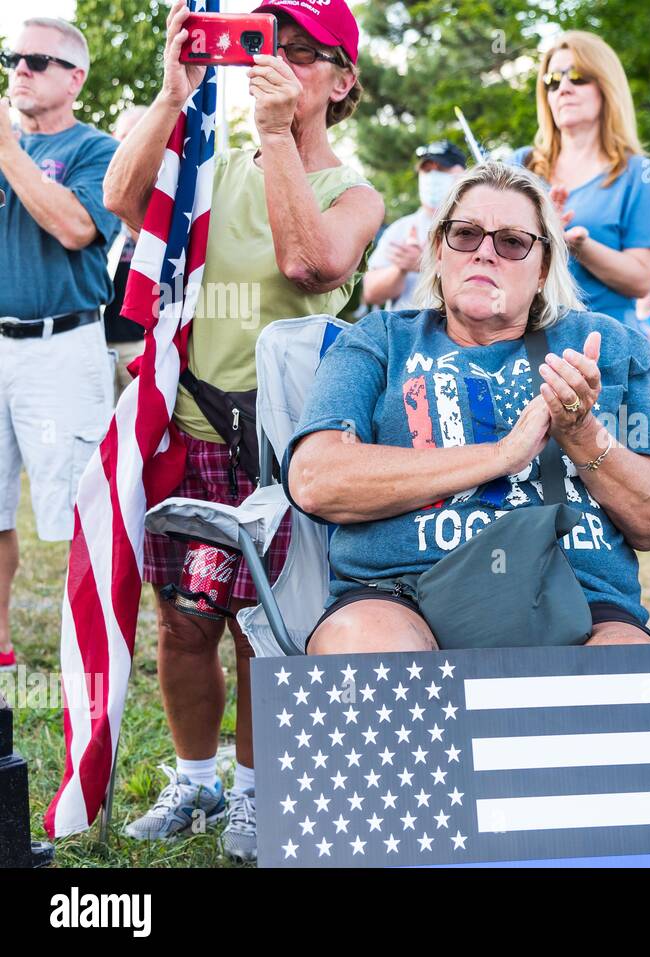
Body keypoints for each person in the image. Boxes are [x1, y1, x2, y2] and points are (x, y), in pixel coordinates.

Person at [103, 0, 384, 861]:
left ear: (342, 83)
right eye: (272, 48)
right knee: (182, 623)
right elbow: (120, 199)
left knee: (264, 630)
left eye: (306, 56)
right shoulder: (213, 164)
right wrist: (171, 94)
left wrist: (273, 135)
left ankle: (262, 795)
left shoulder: (354, 192)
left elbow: (310, 261)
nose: (284, 65)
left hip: (282, 450)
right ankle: (197, 779)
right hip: (186, 432)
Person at [284, 162, 650, 654]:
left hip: (579, 599)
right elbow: (316, 480)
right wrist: (501, 455)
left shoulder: (612, 346)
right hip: (399, 592)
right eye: (466, 234)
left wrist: (582, 433)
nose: (485, 253)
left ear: (543, 269)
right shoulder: (381, 342)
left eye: (513, 242)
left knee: (630, 670)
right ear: (439, 249)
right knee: (367, 647)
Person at [0, 18, 120, 675]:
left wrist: (8, 153)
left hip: (62, 346)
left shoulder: (95, 148)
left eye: (37, 60)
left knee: (74, 512)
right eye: (12, 58)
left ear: (75, 78)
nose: (20, 68)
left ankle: (87, 655)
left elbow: (78, 227)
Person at [516, 31, 650, 329]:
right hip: (526, 345)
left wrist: (578, 245)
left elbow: (640, 281)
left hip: (605, 349)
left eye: (577, 76)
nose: (564, 88)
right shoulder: (520, 164)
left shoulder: (638, 172)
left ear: (606, 87)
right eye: (552, 81)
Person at [362, 140, 466, 310]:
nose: (432, 177)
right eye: (426, 170)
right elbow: (372, 293)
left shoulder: (476, 228)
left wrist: (427, 264)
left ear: (463, 174)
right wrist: (401, 269)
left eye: (441, 169)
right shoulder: (401, 228)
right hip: (403, 333)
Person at [103, 105, 149, 400]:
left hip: (140, 343)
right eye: (125, 137)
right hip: (93, 340)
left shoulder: (165, 192)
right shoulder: (91, 186)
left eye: (139, 137)